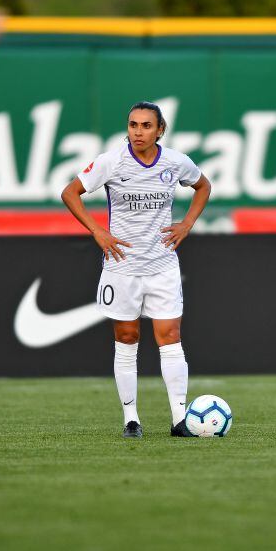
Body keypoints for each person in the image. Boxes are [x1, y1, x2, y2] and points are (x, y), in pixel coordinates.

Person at [61, 102, 211, 438]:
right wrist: (97, 231)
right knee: (127, 338)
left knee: (170, 338)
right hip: (122, 268)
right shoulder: (111, 161)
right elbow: (70, 193)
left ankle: (179, 420)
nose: (138, 132)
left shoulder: (175, 162)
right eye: (132, 125)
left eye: (146, 126)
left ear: (160, 130)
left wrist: (187, 224)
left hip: (162, 265)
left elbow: (203, 186)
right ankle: (131, 419)